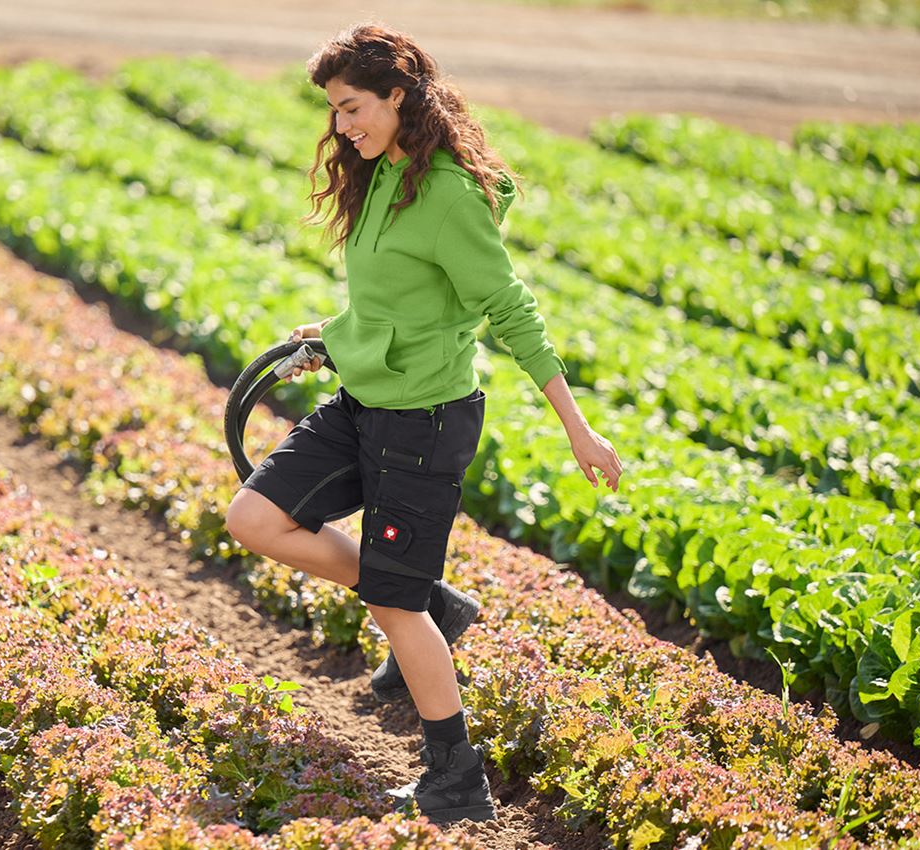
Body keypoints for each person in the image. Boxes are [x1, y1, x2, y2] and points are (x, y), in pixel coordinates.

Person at [225, 21, 624, 826]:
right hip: (365, 402)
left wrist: (577, 427)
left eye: (353, 107)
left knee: (391, 605)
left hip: (425, 421)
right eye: (335, 111)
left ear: (399, 96)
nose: (342, 126)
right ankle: (433, 601)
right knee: (254, 517)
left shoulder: (443, 193)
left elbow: (510, 310)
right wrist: (330, 338)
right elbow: (392, 302)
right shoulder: (381, 173)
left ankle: (456, 776)